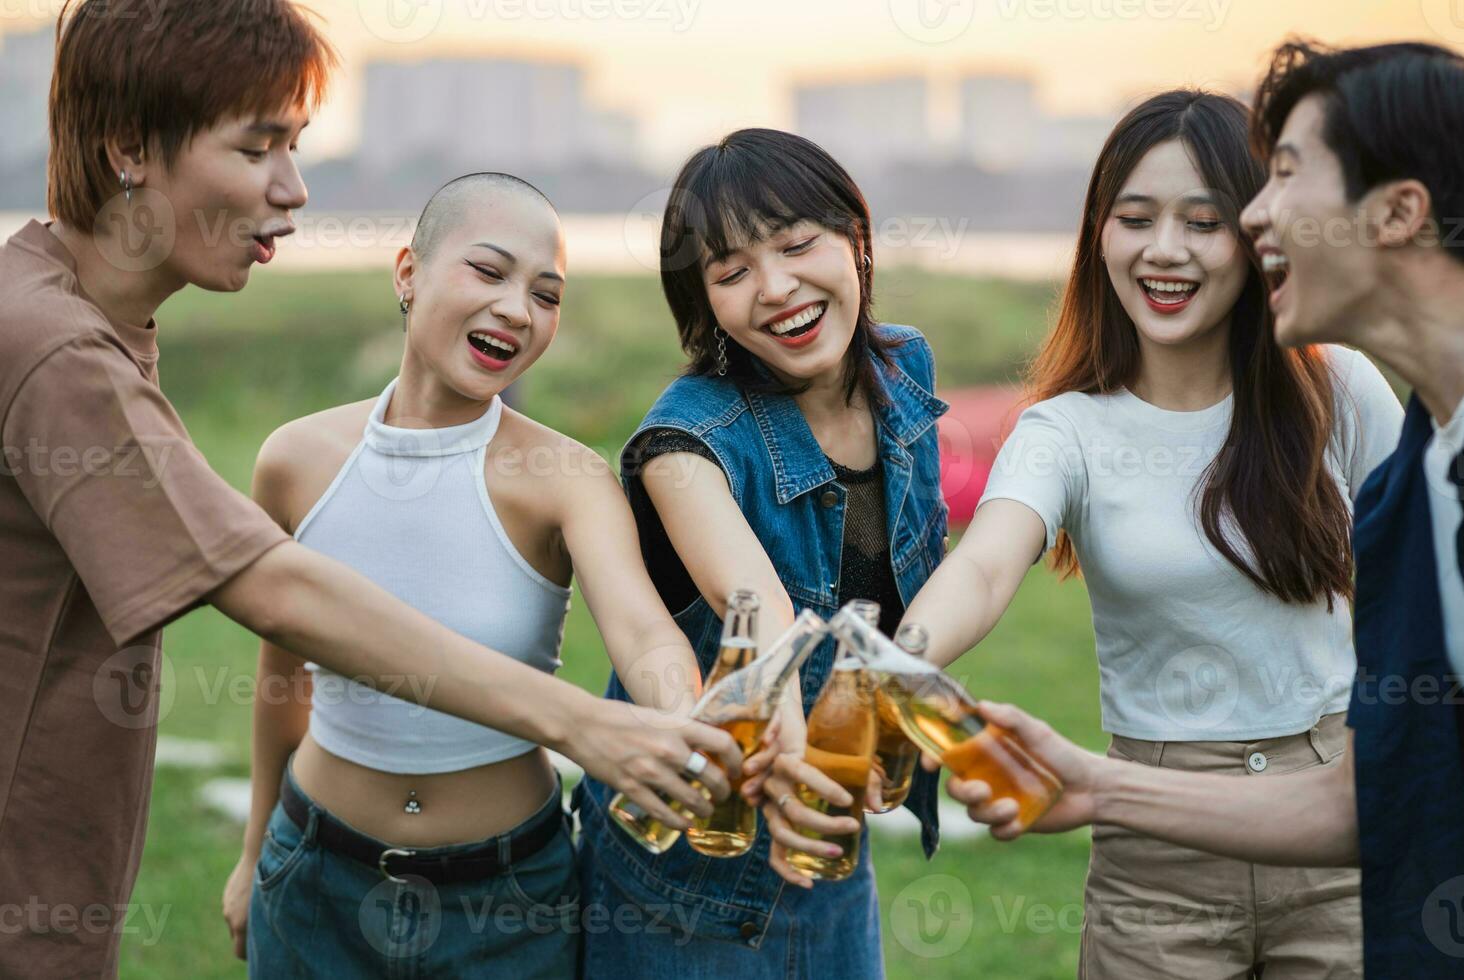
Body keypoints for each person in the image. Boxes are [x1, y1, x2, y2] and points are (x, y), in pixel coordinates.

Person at [0, 4, 737, 975]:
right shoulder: (58, 351)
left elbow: (642, 631)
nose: (294, 189)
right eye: (259, 146)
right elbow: (280, 600)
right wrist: (583, 722)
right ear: (129, 147)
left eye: (295, 146)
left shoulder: (85, 326)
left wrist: (677, 705)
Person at [932, 41, 1464, 979]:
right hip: (1160, 836)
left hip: (1337, 799)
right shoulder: (1066, 428)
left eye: (1207, 219)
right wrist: (893, 659)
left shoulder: (1343, 388)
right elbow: (983, 564)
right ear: (1097, 235)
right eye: (1134, 219)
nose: (1164, 250)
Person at [221, 173, 727, 976]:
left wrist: (683, 721)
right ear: (407, 272)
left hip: (511, 904)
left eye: (548, 295)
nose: (518, 311)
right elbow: (283, 682)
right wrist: (254, 857)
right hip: (314, 884)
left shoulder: (567, 476)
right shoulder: (293, 461)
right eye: (489, 273)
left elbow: (640, 629)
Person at [572, 128, 947, 977]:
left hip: (826, 838)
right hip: (682, 865)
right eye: (732, 272)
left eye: (795, 243)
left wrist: (890, 718)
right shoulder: (686, 441)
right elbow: (761, 618)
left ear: (855, 236)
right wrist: (779, 750)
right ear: (704, 303)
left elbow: (897, 592)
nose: (775, 289)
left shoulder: (904, 370)